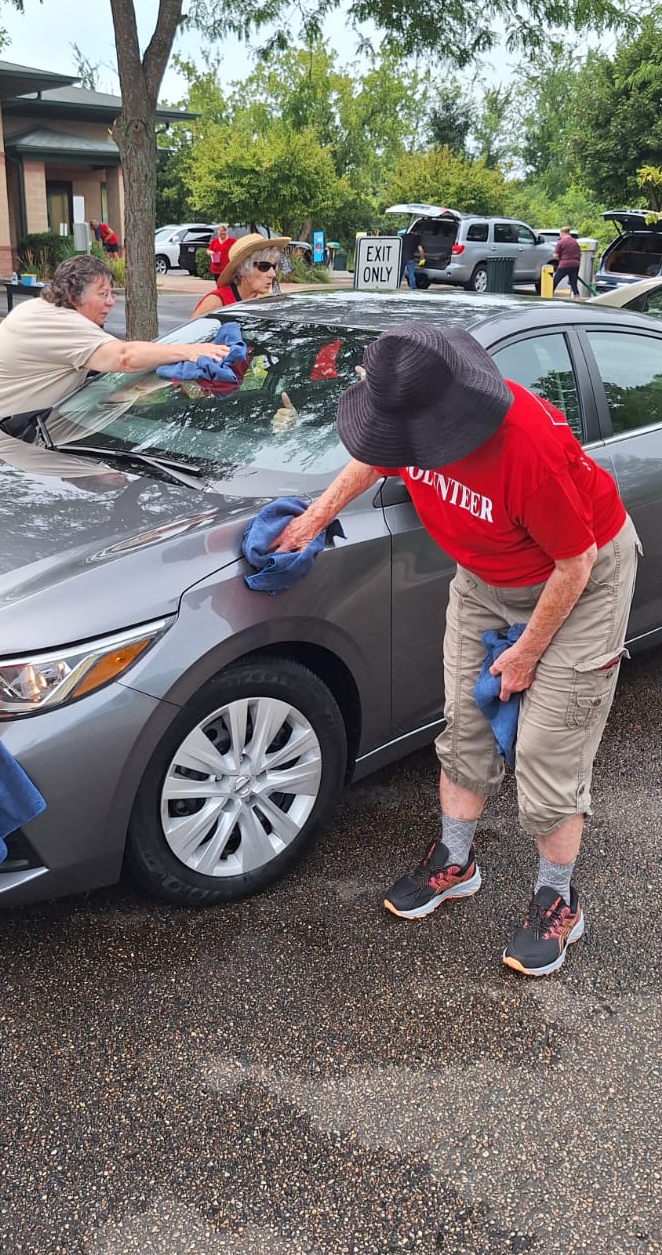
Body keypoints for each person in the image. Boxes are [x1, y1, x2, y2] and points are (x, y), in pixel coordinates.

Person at [272, 323, 639, 978]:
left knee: (546, 747)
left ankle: (558, 898)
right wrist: (315, 517)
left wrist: (526, 654)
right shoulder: (411, 416)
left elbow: (576, 563)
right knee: (465, 720)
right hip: (485, 580)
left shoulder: (525, 446)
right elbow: (375, 458)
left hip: (579, 582)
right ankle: (455, 859)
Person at [0, 253, 229, 427]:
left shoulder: (44, 311)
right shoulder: (60, 323)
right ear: (73, 295)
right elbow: (124, 357)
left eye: (112, 294)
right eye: (103, 294)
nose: (110, 302)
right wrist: (188, 351)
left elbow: (114, 386)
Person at [191, 234, 291, 320]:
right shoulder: (217, 302)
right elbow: (189, 335)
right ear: (243, 271)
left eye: (274, 266)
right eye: (264, 267)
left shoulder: (264, 302)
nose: (273, 274)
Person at [552, 226, 582, 296]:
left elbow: (555, 255)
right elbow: (579, 253)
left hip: (564, 265)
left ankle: (548, 296)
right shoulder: (575, 242)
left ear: (562, 233)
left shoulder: (561, 242)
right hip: (575, 265)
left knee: (555, 282)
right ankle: (577, 298)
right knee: (574, 284)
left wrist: (557, 257)